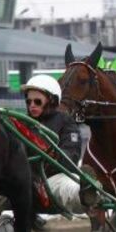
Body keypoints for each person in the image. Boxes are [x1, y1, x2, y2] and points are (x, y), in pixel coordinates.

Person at [22, 73, 91, 215]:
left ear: (52, 101)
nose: (32, 105)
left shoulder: (65, 122)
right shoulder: (21, 123)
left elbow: (71, 154)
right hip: (23, 180)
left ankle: (88, 192)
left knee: (68, 188)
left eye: (37, 101)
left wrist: (48, 161)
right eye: (29, 102)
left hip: (54, 178)